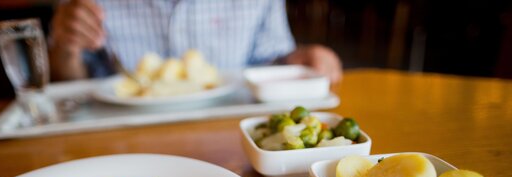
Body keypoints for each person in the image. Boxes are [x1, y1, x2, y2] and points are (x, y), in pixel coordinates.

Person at [49, 0, 342, 83]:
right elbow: (70, 80)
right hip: (122, 139)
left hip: (230, 136)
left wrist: (298, 61)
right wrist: (67, 46)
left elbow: (271, 60)